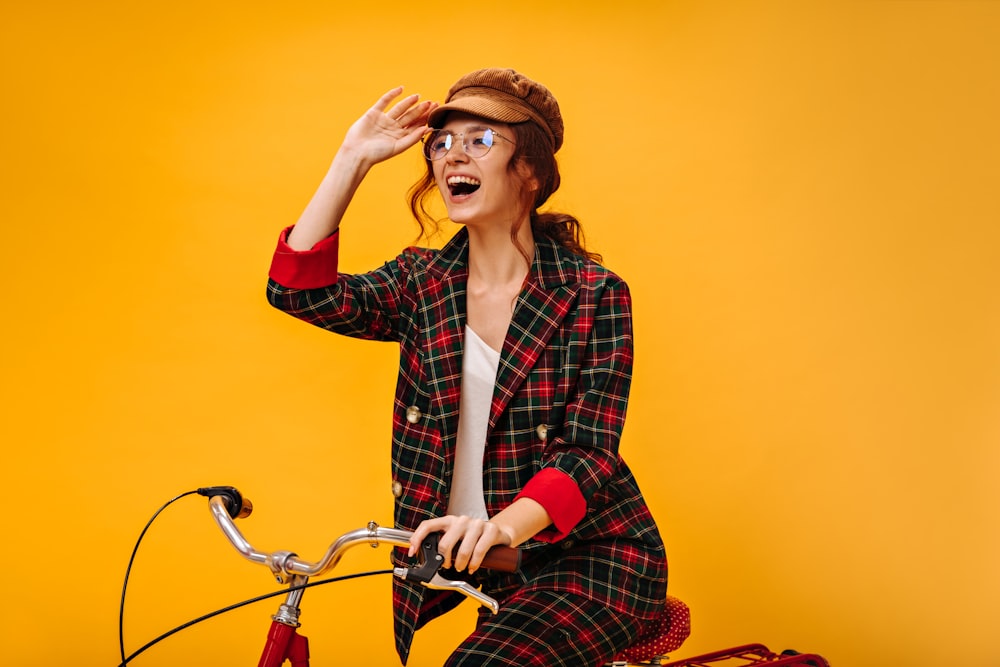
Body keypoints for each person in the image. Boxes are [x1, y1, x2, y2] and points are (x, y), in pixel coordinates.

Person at [266, 68, 667, 666]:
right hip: (483, 563)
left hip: (591, 557)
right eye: (443, 142)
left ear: (528, 171)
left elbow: (590, 452)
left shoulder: (592, 291)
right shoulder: (421, 284)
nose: (453, 153)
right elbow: (298, 291)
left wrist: (504, 526)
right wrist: (353, 158)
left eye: (481, 140)